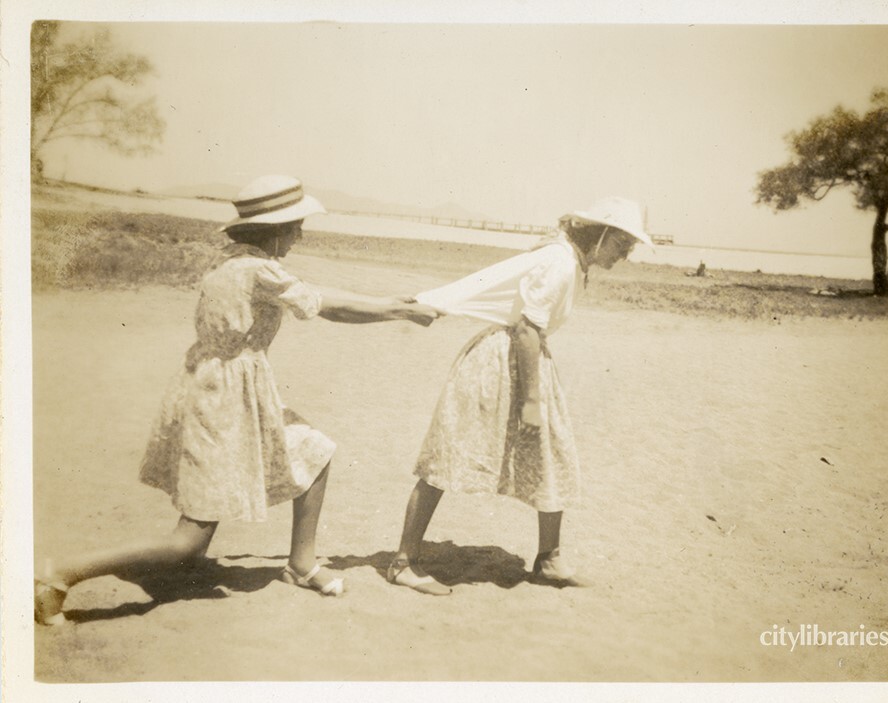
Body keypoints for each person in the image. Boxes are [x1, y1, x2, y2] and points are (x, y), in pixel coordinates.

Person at [34, 174, 438, 625]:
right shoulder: (260, 270)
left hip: (217, 390)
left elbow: (318, 295)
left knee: (315, 451)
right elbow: (330, 308)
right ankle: (61, 573)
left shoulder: (239, 264)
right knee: (187, 544)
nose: (300, 234)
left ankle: (301, 563)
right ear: (277, 230)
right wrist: (400, 310)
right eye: (297, 226)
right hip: (223, 405)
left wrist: (387, 300)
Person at [386, 196, 653, 595]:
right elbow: (527, 328)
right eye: (623, 245)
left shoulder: (566, 258)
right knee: (450, 454)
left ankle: (550, 558)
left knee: (553, 452)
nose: (626, 255)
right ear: (602, 236)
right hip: (500, 362)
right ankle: (403, 561)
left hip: (524, 359)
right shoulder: (560, 262)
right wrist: (531, 402)